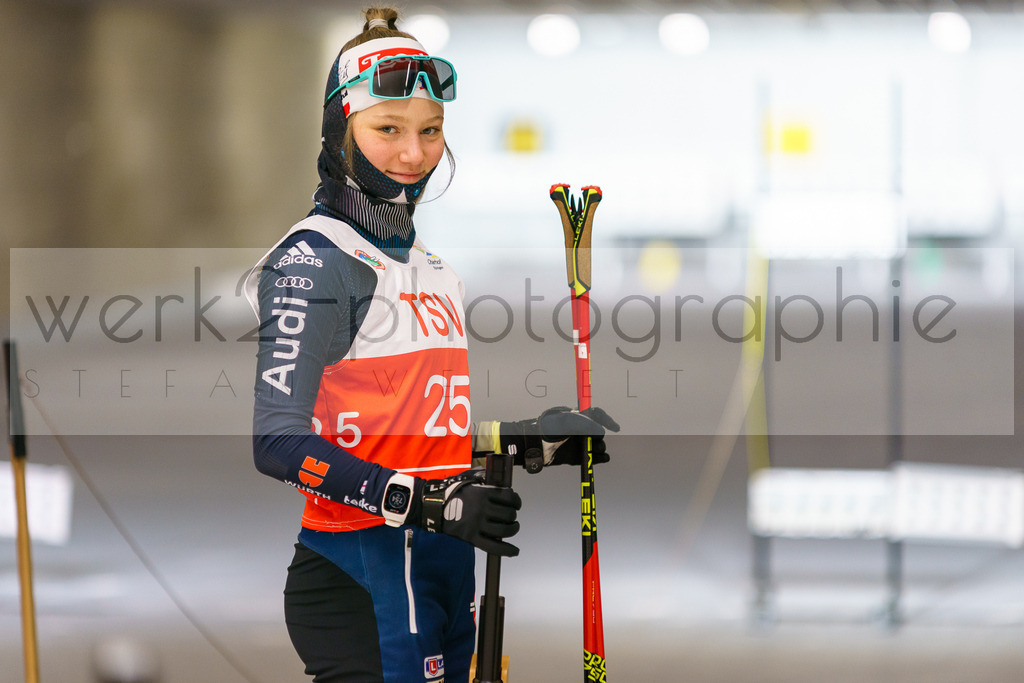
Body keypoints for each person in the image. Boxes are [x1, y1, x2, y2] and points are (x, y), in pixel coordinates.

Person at [243, 8, 619, 682]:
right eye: (387, 129)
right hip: (363, 573)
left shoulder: (431, 265)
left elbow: (408, 428)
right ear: (339, 130)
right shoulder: (318, 261)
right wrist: (426, 503)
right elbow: (277, 442)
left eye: (431, 130)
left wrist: (520, 440)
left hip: (444, 566)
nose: (414, 154)